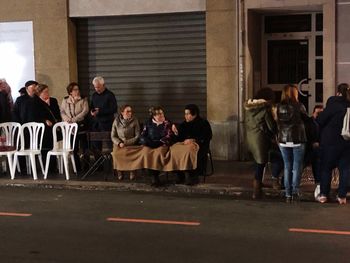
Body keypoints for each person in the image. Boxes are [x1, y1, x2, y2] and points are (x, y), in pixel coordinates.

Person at [316, 83, 350, 204]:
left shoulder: (333, 104)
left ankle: (324, 194)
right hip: (347, 142)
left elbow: (320, 120)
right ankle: (342, 197)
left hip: (330, 142)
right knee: (345, 169)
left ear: (338, 93)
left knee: (326, 168)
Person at [244, 88, 279, 199]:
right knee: (261, 163)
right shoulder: (265, 109)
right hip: (261, 139)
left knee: (258, 162)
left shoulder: (248, 108)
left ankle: (259, 183)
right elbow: (271, 126)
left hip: (251, 138)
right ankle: (256, 190)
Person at [276, 84, 308, 203]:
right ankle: (295, 191)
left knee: (287, 166)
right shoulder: (299, 106)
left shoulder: (278, 107)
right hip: (297, 139)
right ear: (295, 94)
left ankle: (288, 194)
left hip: (283, 140)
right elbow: (306, 120)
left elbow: (277, 122)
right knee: (297, 166)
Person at [172, 104, 212, 185]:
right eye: (185, 114)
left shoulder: (203, 123)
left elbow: (207, 136)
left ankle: (192, 176)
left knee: (189, 151)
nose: (185, 116)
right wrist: (176, 133)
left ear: (194, 114)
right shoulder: (184, 124)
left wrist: (194, 140)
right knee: (174, 149)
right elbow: (180, 138)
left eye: (188, 114)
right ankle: (180, 174)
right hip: (185, 145)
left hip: (200, 146)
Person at [28, 84, 61, 171]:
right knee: (46, 149)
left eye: (48, 91)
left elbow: (56, 114)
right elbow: (33, 117)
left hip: (52, 128)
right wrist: (44, 121)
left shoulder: (50, 101)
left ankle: (53, 167)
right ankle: (48, 168)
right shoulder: (34, 102)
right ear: (39, 93)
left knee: (52, 147)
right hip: (43, 130)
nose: (48, 93)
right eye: (45, 92)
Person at [139, 106, 173, 186]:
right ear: (154, 116)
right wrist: (148, 142)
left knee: (157, 154)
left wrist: (159, 142)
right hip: (150, 144)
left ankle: (156, 176)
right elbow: (143, 135)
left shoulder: (167, 123)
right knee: (146, 153)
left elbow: (169, 136)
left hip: (161, 144)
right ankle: (152, 176)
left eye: (162, 113)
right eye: (158, 114)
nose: (161, 115)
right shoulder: (148, 123)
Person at [60, 82, 89, 172]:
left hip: (81, 126)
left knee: (84, 147)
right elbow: (62, 111)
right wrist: (67, 119)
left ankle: (86, 166)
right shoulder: (65, 100)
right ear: (70, 92)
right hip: (71, 128)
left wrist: (74, 119)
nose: (77, 91)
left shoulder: (83, 99)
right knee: (74, 148)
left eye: (78, 89)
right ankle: (77, 167)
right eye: (75, 90)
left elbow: (85, 111)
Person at [111, 105, 140, 180]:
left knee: (131, 153)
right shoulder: (116, 121)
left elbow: (137, 135)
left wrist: (127, 142)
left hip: (131, 142)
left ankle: (132, 171)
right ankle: (119, 171)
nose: (130, 113)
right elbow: (113, 136)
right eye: (127, 111)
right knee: (116, 153)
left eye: (130, 111)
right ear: (122, 112)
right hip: (119, 143)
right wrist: (119, 143)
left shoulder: (135, 120)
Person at [90, 76, 117, 154]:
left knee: (109, 147)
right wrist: (92, 112)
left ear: (103, 85)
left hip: (107, 124)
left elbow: (114, 109)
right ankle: (98, 165)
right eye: (95, 87)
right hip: (96, 124)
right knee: (95, 146)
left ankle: (111, 164)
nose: (97, 89)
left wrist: (100, 111)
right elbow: (91, 106)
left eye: (98, 87)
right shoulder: (94, 95)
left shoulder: (110, 95)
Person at [304, 105, 323, 199]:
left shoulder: (324, 123)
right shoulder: (308, 123)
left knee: (317, 157)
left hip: (318, 149)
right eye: (317, 113)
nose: (319, 115)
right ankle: (318, 182)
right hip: (307, 148)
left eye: (321, 113)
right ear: (313, 113)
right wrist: (312, 143)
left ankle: (319, 182)